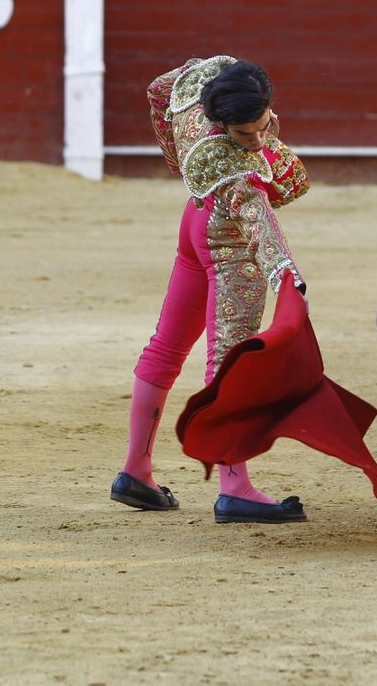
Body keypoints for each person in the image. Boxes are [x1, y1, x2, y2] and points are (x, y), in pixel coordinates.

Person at [112, 56, 312, 523]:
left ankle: (136, 472)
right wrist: (286, 274)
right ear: (217, 122)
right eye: (244, 134)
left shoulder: (206, 77)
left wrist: (178, 161)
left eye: (263, 126)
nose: (257, 140)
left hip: (194, 219)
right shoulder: (232, 168)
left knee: (166, 347)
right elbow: (270, 209)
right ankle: (235, 487)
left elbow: (159, 89)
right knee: (229, 361)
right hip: (228, 240)